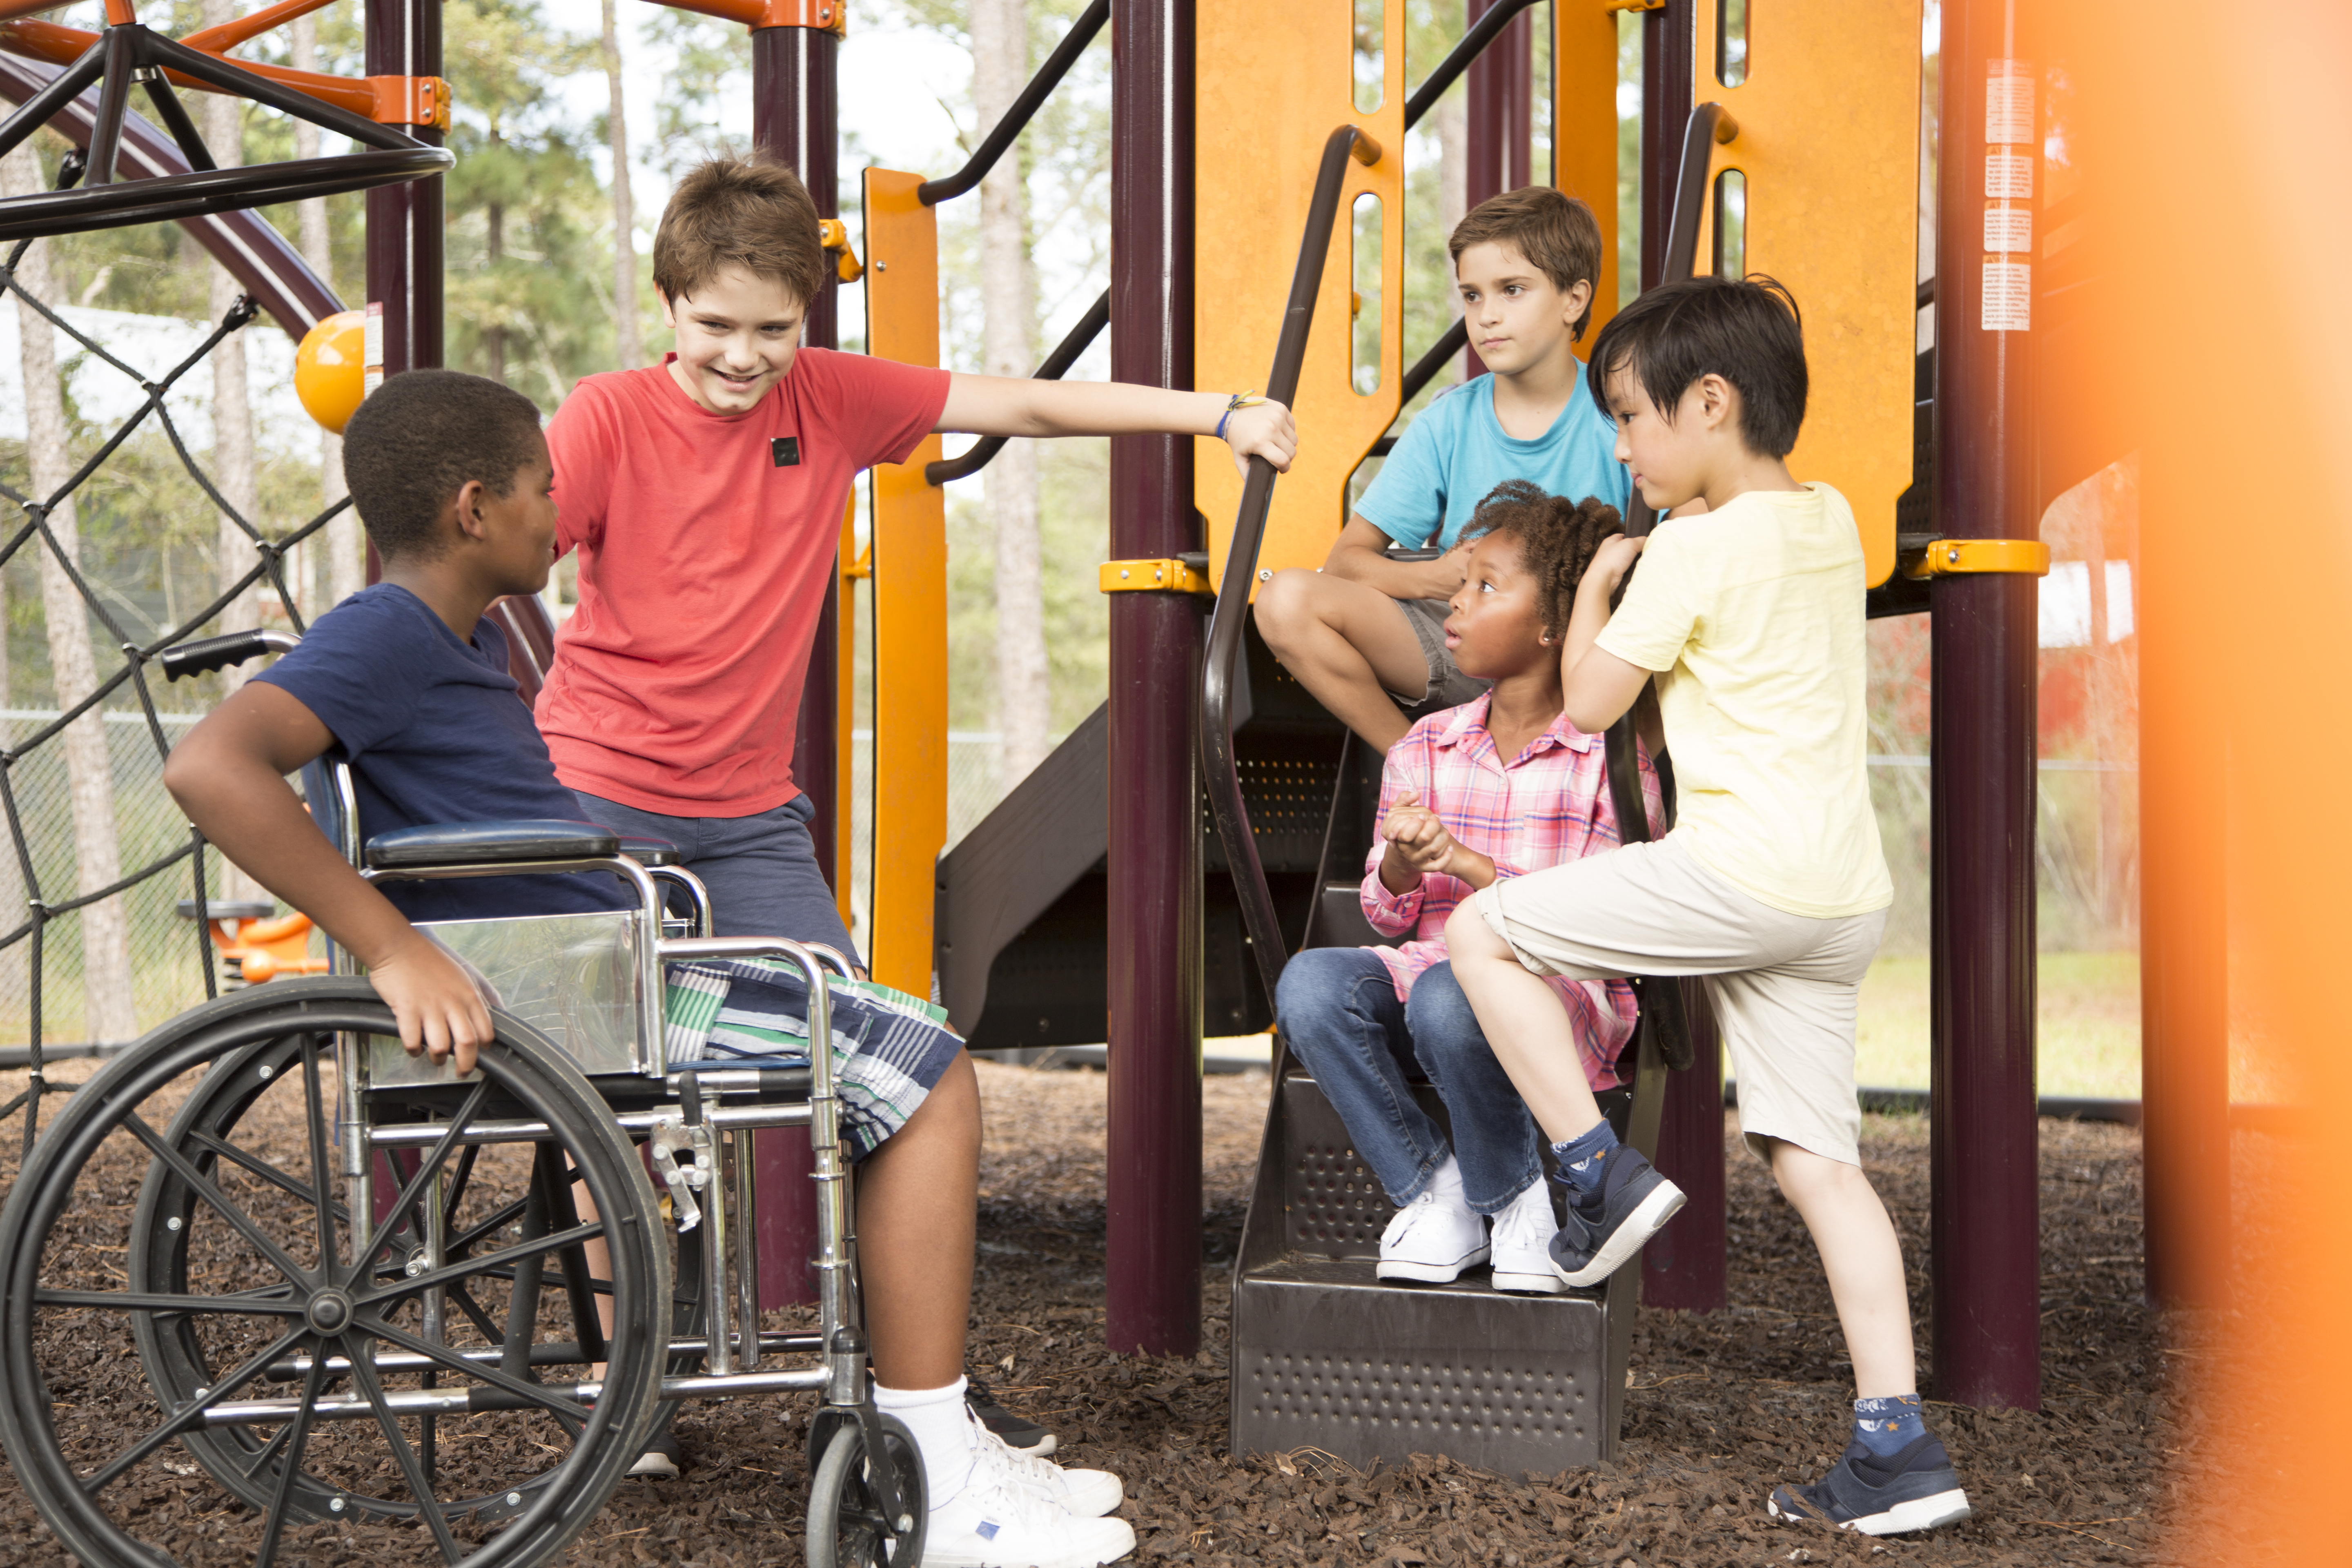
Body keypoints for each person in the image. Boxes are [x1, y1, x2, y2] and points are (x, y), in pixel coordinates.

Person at [161, 370, 1140, 1568]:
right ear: (476, 507)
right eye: (541, 486)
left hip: (609, 964)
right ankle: (938, 1464)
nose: (557, 502)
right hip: (580, 1000)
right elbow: (211, 768)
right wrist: (393, 948)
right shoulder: (385, 634)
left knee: (902, 1035)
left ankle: (935, 1435)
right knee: (926, 1077)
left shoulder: (436, 633)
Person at [1441, 275, 1971, 1536]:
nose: (1620, 445)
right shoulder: (1834, 517)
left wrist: (1597, 587)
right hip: (1840, 894)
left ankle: (1594, 1175)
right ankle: (1897, 1446)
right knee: (1816, 1158)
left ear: (1713, 403)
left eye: (1630, 418)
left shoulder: (1689, 547)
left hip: (1743, 872)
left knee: (1477, 930)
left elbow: (1586, 706)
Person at [536, 153, 1293, 969]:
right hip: (597, 788)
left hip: (749, 816)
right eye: (715, 327)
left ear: (806, 314)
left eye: (773, 330)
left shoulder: (829, 398)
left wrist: (1222, 414)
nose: (743, 356)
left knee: (862, 1054)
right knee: (603, 1044)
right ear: (668, 304)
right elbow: (496, 556)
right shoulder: (606, 417)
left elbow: (1027, 405)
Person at [1272, 481, 1661, 1293]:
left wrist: (1473, 869)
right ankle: (1438, 1190)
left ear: (1555, 625)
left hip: (1561, 997)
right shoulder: (1426, 744)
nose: (1456, 602)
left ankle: (1519, 1198)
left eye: (1486, 587)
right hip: (1430, 974)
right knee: (1309, 985)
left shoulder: (1605, 760)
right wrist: (1403, 866)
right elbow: (1385, 916)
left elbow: (1597, 920)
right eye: (1461, 583)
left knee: (1453, 996)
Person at [1253, 186, 1630, 751]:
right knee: (1284, 600)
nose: (1487, 316)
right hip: (1473, 653)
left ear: (1574, 300)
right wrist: (1432, 578)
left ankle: (1619, 772)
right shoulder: (1448, 421)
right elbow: (1346, 562)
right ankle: (1420, 774)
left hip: (1586, 661)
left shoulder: (1619, 415)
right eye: (1472, 297)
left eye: (1512, 290)